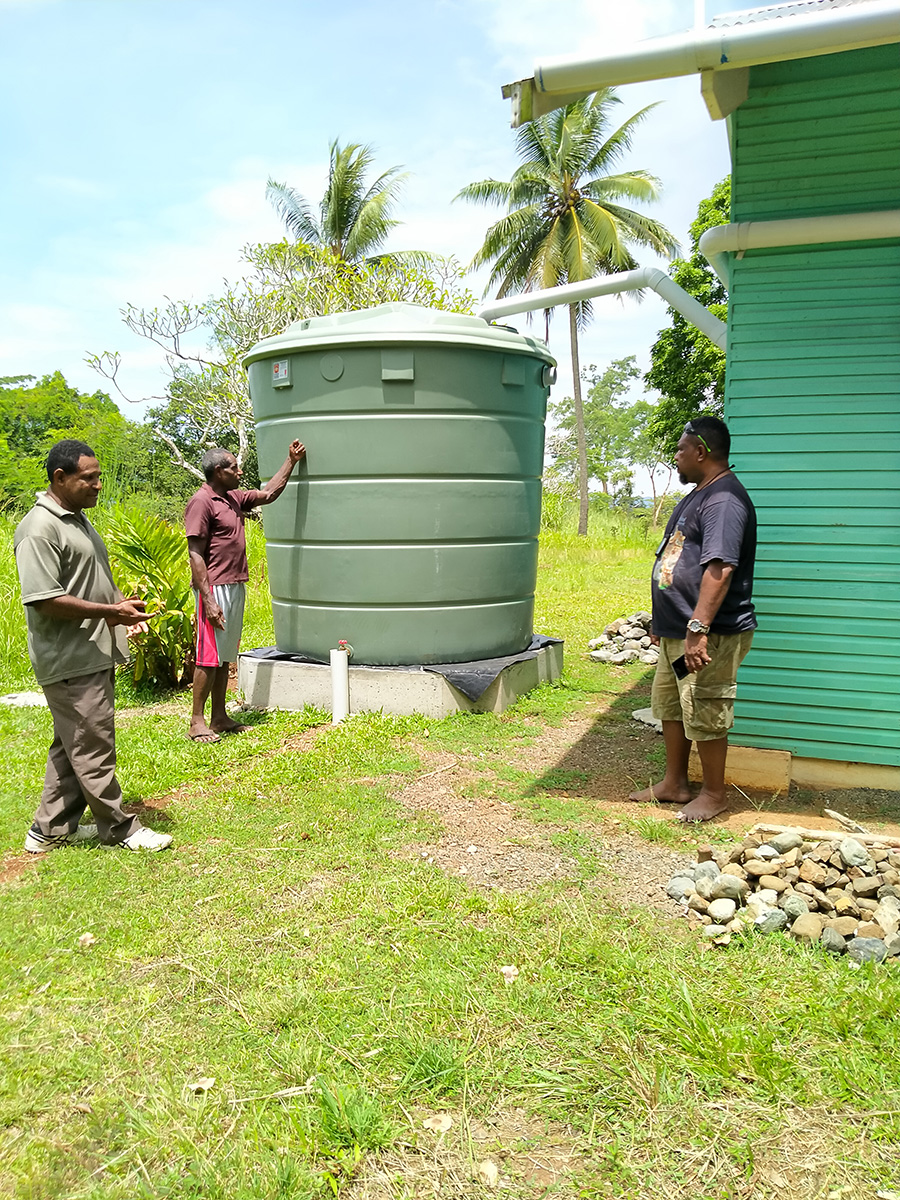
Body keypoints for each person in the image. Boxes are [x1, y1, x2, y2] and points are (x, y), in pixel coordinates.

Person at [14, 440, 173, 853]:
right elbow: (43, 598)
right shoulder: (39, 528)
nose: (99, 485)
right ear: (60, 478)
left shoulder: (77, 520)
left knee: (73, 743)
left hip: (90, 651)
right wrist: (108, 612)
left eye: (99, 476)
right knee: (93, 743)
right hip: (69, 657)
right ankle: (119, 829)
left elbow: (92, 576)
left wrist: (122, 611)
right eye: (89, 478)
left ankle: (49, 829)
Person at [629, 416, 757, 822]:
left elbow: (720, 568)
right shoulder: (699, 494)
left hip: (708, 636)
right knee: (671, 703)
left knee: (705, 704)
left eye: (681, 449)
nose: (676, 456)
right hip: (678, 632)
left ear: (701, 452)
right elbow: (676, 561)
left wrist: (698, 629)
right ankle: (675, 784)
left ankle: (715, 794)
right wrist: (662, 622)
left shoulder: (723, 501)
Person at [185, 441, 305, 743]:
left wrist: (290, 461)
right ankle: (197, 722)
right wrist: (208, 599)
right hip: (213, 589)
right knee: (207, 657)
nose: (240, 472)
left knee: (224, 657)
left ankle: (220, 717)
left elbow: (269, 494)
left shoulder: (234, 498)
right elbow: (195, 554)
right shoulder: (202, 502)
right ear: (217, 472)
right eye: (233, 468)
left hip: (235, 584)